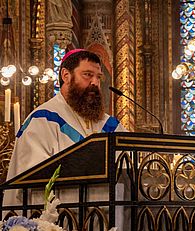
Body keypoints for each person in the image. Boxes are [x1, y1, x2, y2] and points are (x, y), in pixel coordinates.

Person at [4, 49, 126, 204]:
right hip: (59, 220)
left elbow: (128, 170)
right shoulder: (43, 120)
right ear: (66, 76)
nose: (95, 82)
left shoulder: (111, 126)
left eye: (98, 77)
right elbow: (33, 178)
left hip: (107, 220)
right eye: (88, 75)